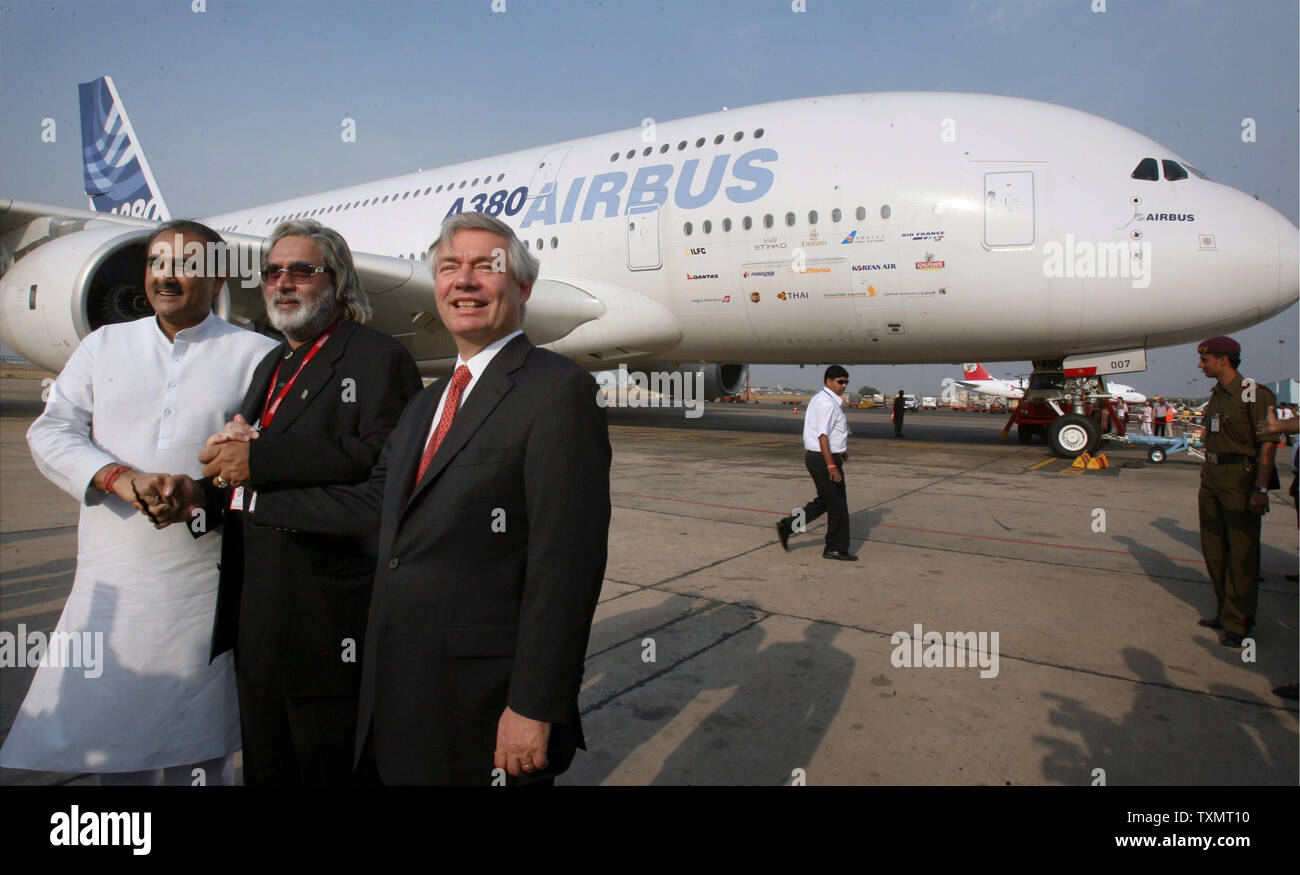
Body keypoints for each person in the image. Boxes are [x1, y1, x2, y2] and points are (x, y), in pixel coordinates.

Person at [243, 212, 611, 785]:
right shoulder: (427, 401)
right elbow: (374, 506)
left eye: (485, 268)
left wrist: (536, 706)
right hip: (397, 696)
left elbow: (565, 568)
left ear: (524, 287)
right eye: (448, 268)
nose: (463, 281)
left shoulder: (558, 391)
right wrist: (246, 501)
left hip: (484, 705)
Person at [0, 221, 277, 783]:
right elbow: (51, 432)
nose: (165, 276)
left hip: (204, 582)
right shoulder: (104, 345)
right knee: (106, 741)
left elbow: (271, 457)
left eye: (183, 264)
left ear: (218, 276)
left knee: (197, 745)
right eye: (155, 263)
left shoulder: (259, 356)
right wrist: (117, 478)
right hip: (114, 575)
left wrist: (204, 485)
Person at [170, 220, 421, 785]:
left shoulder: (377, 358)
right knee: (267, 767)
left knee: (327, 768)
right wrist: (199, 495)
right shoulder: (275, 363)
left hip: (329, 623)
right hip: (257, 617)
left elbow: (376, 461)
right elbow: (250, 466)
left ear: (338, 281)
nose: (283, 283)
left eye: (302, 271)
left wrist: (259, 461)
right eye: (273, 272)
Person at [1194, 335, 1279, 648]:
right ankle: (1225, 610)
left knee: (1242, 552)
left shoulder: (1254, 395)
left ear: (1223, 360)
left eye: (1205, 360)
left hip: (1240, 478)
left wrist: (1261, 488)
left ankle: (1239, 621)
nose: (1200, 365)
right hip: (1213, 476)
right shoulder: (1217, 396)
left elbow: (1267, 445)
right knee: (1214, 549)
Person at [776, 366, 856, 561]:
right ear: (828, 381)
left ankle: (788, 526)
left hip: (822, 456)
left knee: (825, 501)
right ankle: (835, 547)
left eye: (846, 382)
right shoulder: (827, 403)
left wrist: (841, 451)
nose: (844, 385)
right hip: (823, 458)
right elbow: (822, 436)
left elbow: (831, 432)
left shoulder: (823, 399)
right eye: (840, 381)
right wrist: (831, 465)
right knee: (838, 504)